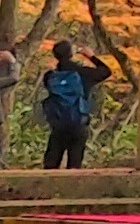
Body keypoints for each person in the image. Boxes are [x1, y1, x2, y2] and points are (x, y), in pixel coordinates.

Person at [35, 39, 114, 171]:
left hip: (58, 124)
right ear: (71, 54)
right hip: (78, 123)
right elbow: (106, 71)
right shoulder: (83, 74)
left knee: (51, 164)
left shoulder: (50, 77)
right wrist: (91, 56)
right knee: (74, 165)